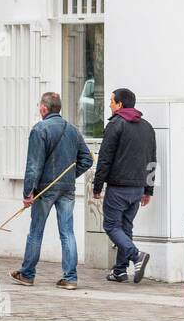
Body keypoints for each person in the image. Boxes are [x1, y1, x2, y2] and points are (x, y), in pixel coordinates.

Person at [10, 92, 93, 289]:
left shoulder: (40, 129)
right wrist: (70, 176)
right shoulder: (72, 130)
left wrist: (28, 192)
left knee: (36, 231)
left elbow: (34, 165)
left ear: (44, 108)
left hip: (45, 188)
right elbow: (87, 160)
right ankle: (70, 278)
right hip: (67, 187)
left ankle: (27, 273)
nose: (39, 108)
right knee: (67, 232)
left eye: (40, 105)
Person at [92, 88, 156, 283]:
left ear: (120, 104)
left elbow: (105, 158)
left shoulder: (116, 124)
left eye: (111, 101)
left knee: (111, 226)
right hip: (137, 189)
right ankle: (120, 271)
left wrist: (97, 186)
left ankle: (136, 256)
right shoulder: (147, 126)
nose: (110, 105)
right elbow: (152, 160)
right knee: (125, 228)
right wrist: (148, 190)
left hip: (119, 187)